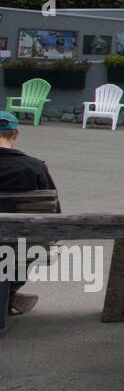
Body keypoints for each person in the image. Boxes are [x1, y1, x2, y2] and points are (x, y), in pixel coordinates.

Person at [0, 111, 59, 319]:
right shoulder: (34, 167)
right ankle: (9, 294)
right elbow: (55, 217)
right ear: (15, 135)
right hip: (18, 247)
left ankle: (9, 297)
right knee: (21, 249)